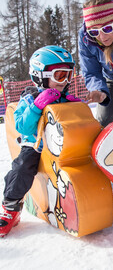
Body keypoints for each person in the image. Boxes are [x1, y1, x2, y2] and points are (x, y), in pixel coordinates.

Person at [0, 45, 81, 237]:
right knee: (22, 167)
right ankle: (10, 206)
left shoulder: (64, 98)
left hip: (63, 146)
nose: (66, 81)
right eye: (60, 76)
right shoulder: (29, 99)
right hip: (36, 146)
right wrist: (36, 106)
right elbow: (21, 126)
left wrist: (77, 108)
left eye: (69, 76)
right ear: (40, 75)